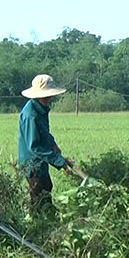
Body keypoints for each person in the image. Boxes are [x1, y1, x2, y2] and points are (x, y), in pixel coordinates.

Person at [18, 74, 74, 210]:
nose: (50, 98)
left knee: (46, 189)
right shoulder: (30, 115)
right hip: (33, 165)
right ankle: (38, 227)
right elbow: (35, 146)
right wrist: (60, 162)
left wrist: (53, 145)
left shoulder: (40, 109)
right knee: (41, 200)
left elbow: (44, 133)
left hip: (40, 163)